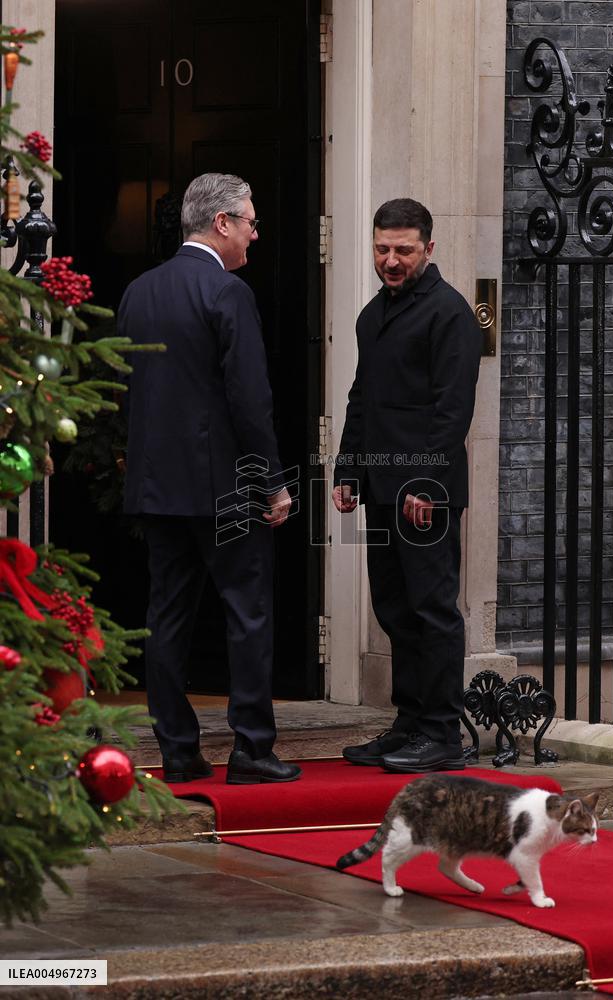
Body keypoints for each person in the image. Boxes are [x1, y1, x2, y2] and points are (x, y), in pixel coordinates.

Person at [120, 173, 300, 785]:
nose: (255, 232)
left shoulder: (138, 292)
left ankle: (177, 751)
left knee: (167, 616)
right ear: (221, 223)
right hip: (225, 488)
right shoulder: (228, 291)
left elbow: (124, 390)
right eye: (250, 221)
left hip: (158, 487)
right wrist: (272, 482)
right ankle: (251, 750)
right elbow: (250, 399)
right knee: (247, 614)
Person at [333, 198, 481, 774]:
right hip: (381, 487)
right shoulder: (372, 316)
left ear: (428, 248)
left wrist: (425, 484)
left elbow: (453, 410)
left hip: (426, 493)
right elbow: (362, 398)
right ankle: (410, 723)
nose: (390, 260)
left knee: (432, 609)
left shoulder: (450, 314)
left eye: (403, 250)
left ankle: (441, 733)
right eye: (382, 249)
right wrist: (348, 470)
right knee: (394, 608)